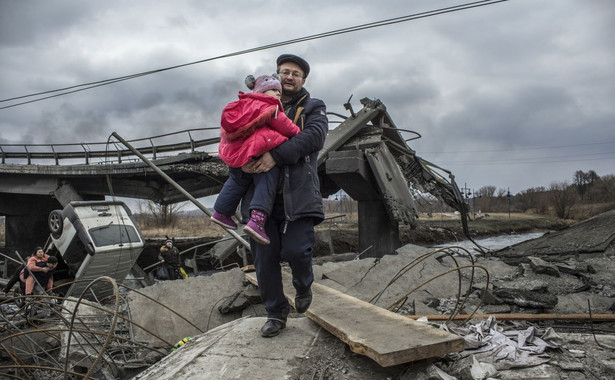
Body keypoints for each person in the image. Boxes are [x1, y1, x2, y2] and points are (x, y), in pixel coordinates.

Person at [242, 54, 328, 337]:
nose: (289, 77)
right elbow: (236, 136)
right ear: (276, 77)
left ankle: (303, 284)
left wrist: (274, 155)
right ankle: (275, 314)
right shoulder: (255, 104)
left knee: (296, 250)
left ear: (303, 80)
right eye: (284, 72)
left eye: (295, 74)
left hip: (299, 195)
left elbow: (313, 138)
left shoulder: (313, 107)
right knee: (264, 260)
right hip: (260, 202)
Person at [211, 74, 301, 245]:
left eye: (278, 91)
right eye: (273, 90)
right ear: (261, 91)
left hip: (239, 153)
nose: (277, 94)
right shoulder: (270, 107)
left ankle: (221, 212)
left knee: (237, 180)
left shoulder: (243, 105)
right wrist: (298, 133)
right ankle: (257, 221)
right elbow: (287, 127)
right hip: (258, 150)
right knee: (267, 179)